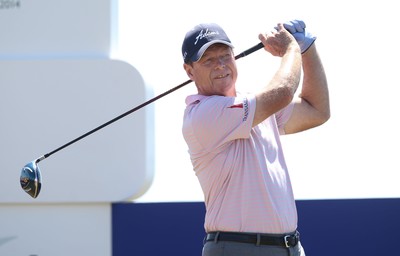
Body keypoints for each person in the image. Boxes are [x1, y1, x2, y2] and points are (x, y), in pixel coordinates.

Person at [181, 20, 329, 256]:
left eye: (225, 56)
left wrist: (308, 49)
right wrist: (291, 49)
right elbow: (282, 92)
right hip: (238, 247)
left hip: (290, 247)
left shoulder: (253, 106)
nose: (220, 65)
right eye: (208, 60)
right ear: (189, 71)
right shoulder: (202, 113)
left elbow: (317, 110)